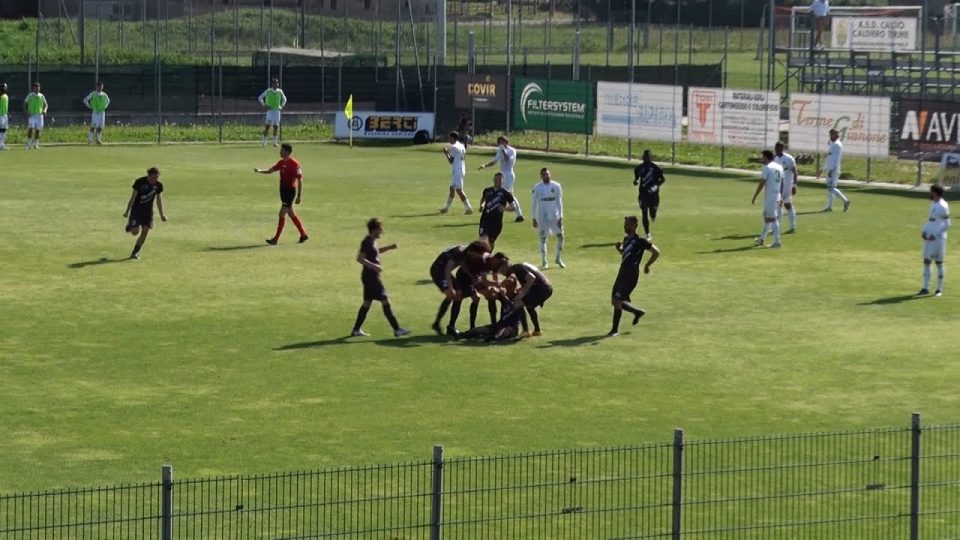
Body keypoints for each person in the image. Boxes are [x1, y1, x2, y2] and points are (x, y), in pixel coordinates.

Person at [350, 218, 411, 338]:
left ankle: (356, 330)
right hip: (371, 277)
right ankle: (397, 329)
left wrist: (389, 247)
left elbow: (375, 252)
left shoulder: (372, 241)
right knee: (385, 301)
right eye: (380, 229)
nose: (381, 232)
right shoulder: (366, 242)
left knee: (367, 303)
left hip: (370, 277)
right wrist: (373, 266)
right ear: (374, 230)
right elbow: (360, 258)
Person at [608, 216, 660, 337]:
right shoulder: (626, 240)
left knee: (617, 301)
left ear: (634, 226)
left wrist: (647, 265)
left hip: (630, 275)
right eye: (624, 224)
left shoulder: (640, 241)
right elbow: (627, 254)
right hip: (622, 273)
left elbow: (656, 252)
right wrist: (619, 249)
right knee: (615, 301)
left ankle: (614, 330)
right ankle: (637, 312)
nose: (625, 226)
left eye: (627, 224)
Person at [429, 241, 491, 336]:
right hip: (438, 271)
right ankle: (441, 324)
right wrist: (450, 288)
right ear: (473, 251)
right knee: (451, 295)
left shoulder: (466, 252)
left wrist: (472, 276)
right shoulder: (459, 253)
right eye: (479, 254)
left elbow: (462, 264)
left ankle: (447, 326)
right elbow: (447, 269)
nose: (479, 256)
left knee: (457, 296)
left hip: (446, 272)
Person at [254, 143, 309, 245]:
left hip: (289, 192)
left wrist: (299, 195)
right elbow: (271, 170)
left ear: (287, 152)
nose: (280, 152)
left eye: (282, 150)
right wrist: (260, 171)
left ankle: (276, 239)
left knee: (282, 213)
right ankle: (303, 234)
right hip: (283, 191)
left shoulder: (294, 164)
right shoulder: (281, 162)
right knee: (291, 213)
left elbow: (300, 179)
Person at [492, 253, 553, 336]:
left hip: (541, 289)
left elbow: (531, 278)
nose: (503, 274)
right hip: (546, 288)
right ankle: (537, 330)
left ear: (505, 266)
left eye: (502, 271)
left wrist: (522, 294)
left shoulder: (517, 268)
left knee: (517, 303)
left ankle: (525, 331)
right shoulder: (519, 267)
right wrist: (521, 289)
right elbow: (530, 281)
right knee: (529, 306)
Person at [123, 167, 168, 260]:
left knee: (145, 231)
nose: (155, 180)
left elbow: (158, 200)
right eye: (154, 177)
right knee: (135, 232)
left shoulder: (158, 185)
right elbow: (133, 197)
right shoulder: (139, 182)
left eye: (157, 177)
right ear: (149, 175)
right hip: (136, 210)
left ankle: (135, 253)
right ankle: (130, 226)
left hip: (148, 212)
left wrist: (162, 215)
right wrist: (127, 211)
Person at [479, 136, 524, 222]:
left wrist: (503, 150)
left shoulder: (512, 151)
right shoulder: (499, 150)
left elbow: (509, 161)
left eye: (502, 142)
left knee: (508, 195)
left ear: (506, 142)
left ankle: (518, 215)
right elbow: (495, 161)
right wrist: (485, 165)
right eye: (499, 142)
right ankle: (519, 215)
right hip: (502, 175)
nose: (500, 144)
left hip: (509, 175)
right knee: (510, 195)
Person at [918, 184, 951, 297]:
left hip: (938, 239)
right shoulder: (933, 204)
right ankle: (925, 287)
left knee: (939, 262)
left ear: (935, 192)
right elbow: (930, 220)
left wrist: (936, 235)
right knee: (926, 261)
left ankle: (939, 289)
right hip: (929, 237)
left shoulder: (943, 206)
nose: (930, 193)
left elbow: (947, 224)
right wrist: (924, 230)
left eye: (931, 191)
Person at [531, 167, 565, 269]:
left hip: (555, 216)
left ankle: (558, 258)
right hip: (542, 217)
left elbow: (559, 202)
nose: (546, 176)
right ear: (541, 176)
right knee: (543, 239)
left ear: (550, 174)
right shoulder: (537, 187)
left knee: (561, 236)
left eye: (547, 174)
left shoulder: (556, 186)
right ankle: (544, 262)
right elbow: (534, 203)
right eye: (544, 174)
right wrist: (533, 217)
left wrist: (561, 216)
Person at [752, 149, 784, 248]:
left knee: (772, 218)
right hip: (777, 195)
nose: (761, 159)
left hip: (771, 196)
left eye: (762, 157)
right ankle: (762, 238)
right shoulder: (779, 167)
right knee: (767, 217)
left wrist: (755, 195)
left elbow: (762, 182)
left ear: (766, 157)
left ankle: (777, 241)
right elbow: (782, 182)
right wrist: (781, 195)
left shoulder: (767, 168)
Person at [633, 150, 666, 240]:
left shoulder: (655, 168)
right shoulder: (639, 168)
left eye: (648, 157)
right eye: (645, 156)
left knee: (652, 212)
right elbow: (636, 179)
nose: (647, 158)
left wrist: (656, 186)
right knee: (644, 212)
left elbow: (662, 179)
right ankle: (647, 233)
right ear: (643, 157)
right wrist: (635, 181)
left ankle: (653, 215)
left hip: (653, 195)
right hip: (643, 194)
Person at [478, 172, 516, 249]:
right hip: (485, 220)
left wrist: (504, 208)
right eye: (495, 179)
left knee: (490, 243)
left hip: (496, 223)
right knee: (483, 241)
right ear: (493, 179)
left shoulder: (506, 194)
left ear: (502, 181)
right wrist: (481, 205)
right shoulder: (487, 190)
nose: (497, 181)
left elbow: (514, 207)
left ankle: (488, 257)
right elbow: (483, 199)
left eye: (499, 179)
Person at [439, 131, 473, 215]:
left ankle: (469, 208)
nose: (449, 139)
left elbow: (451, 161)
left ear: (453, 138)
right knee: (452, 189)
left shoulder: (454, 147)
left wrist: (446, 153)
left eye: (450, 138)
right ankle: (446, 208)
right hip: (460, 169)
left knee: (459, 190)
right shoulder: (461, 145)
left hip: (458, 171)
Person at [821, 128, 850, 212]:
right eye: (830, 135)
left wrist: (830, 170)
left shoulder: (837, 145)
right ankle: (829, 206)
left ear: (836, 135)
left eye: (832, 135)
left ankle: (845, 201)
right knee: (830, 188)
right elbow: (829, 157)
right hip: (831, 168)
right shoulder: (833, 144)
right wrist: (823, 168)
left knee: (831, 188)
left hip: (834, 169)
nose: (830, 136)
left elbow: (835, 159)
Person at [774, 142, 799, 233]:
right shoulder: (775, 159)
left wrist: (794, 185)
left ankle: (792, 226)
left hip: (788, 184)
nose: (776, 149)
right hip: (779, 185)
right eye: (775, 148)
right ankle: (776, 227)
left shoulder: (789, 158)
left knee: (787, 205)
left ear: (782, 148)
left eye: (777, 148)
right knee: (778, 205)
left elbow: (795, 172)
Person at [258, 78, 287, 147]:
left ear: (278, 84)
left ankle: (274, 142)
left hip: (277, 111)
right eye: (274, 83)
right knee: (267, 126)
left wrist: (281, 106)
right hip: (270, 112)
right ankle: (264, 142)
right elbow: (260, 98)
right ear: (272, 84)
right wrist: (264, 105)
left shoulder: (280, 91)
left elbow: (285, 99)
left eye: (277, 83)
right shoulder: (268, 91)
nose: (275, 84)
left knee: (276, 127)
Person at [83, 81, 110, 145]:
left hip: (102, 113)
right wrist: (89, 106)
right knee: (93, 126)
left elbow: (108, 101)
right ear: (97, 87)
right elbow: (85, 100)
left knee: (100, 127)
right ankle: (90, 140)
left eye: (102, 87)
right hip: (95, 113)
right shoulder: (93, 94)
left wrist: (105, 106)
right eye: (100, 87)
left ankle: (98, 140)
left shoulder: (104, 94)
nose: (101, 88)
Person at [23, 81, 47, 149]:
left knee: (37, 130)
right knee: (30, 129)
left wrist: (45, 110)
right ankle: (28, 144)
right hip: (32, 115)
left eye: (39, 87)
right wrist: (26, 112)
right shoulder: (30, 95)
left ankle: (35, 144)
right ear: (33, 88)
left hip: (39, 116)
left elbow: (46, 105)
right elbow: (24, 104)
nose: (38, 88)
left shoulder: (42, 96)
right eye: (36, 87)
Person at [0, 82, 8, 150]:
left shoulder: (6, 96)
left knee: (4, 130)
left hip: (5, 115)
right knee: (1, 130)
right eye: (3, 87)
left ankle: (2, 144)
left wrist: (7, 113)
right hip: (0, 115)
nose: (4, 89)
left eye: (5, 87)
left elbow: (6, 106)